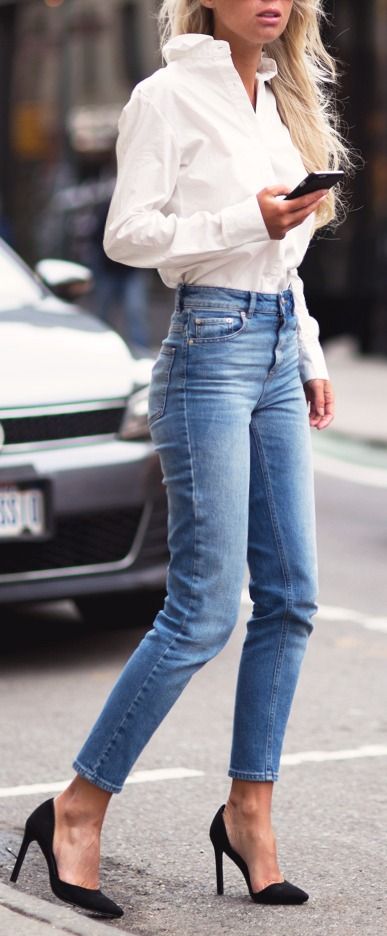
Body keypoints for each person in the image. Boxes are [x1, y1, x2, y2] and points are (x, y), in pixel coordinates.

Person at [11, 0, 352, 920]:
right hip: (208, 352)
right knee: (201, 610)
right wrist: (246, 219)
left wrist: (309, 353)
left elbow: (284, 260)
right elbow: (129, 236)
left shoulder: (279, 99)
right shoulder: (164, 96)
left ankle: (249, 813)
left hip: (275, 348)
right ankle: (76, 808)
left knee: (291, 600)